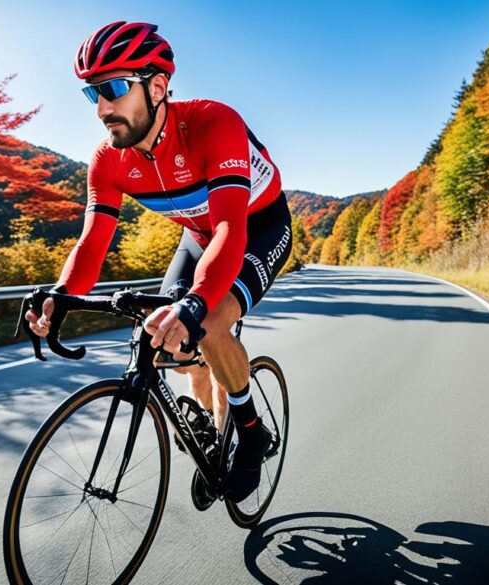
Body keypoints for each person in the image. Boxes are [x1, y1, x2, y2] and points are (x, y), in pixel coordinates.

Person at [25, 21, 293, 503]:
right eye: (94, 94)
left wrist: (196, 304)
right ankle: (212, 426)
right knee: (166, 335)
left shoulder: (215, 124)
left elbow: (231, 229)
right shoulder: (108, 161)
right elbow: (92, 243)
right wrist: (62, 294)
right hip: (199, 236)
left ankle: (251, 432)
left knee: (207, 319)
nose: (104, 108)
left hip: (256, 227)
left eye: (113, 88)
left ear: (157, 87)